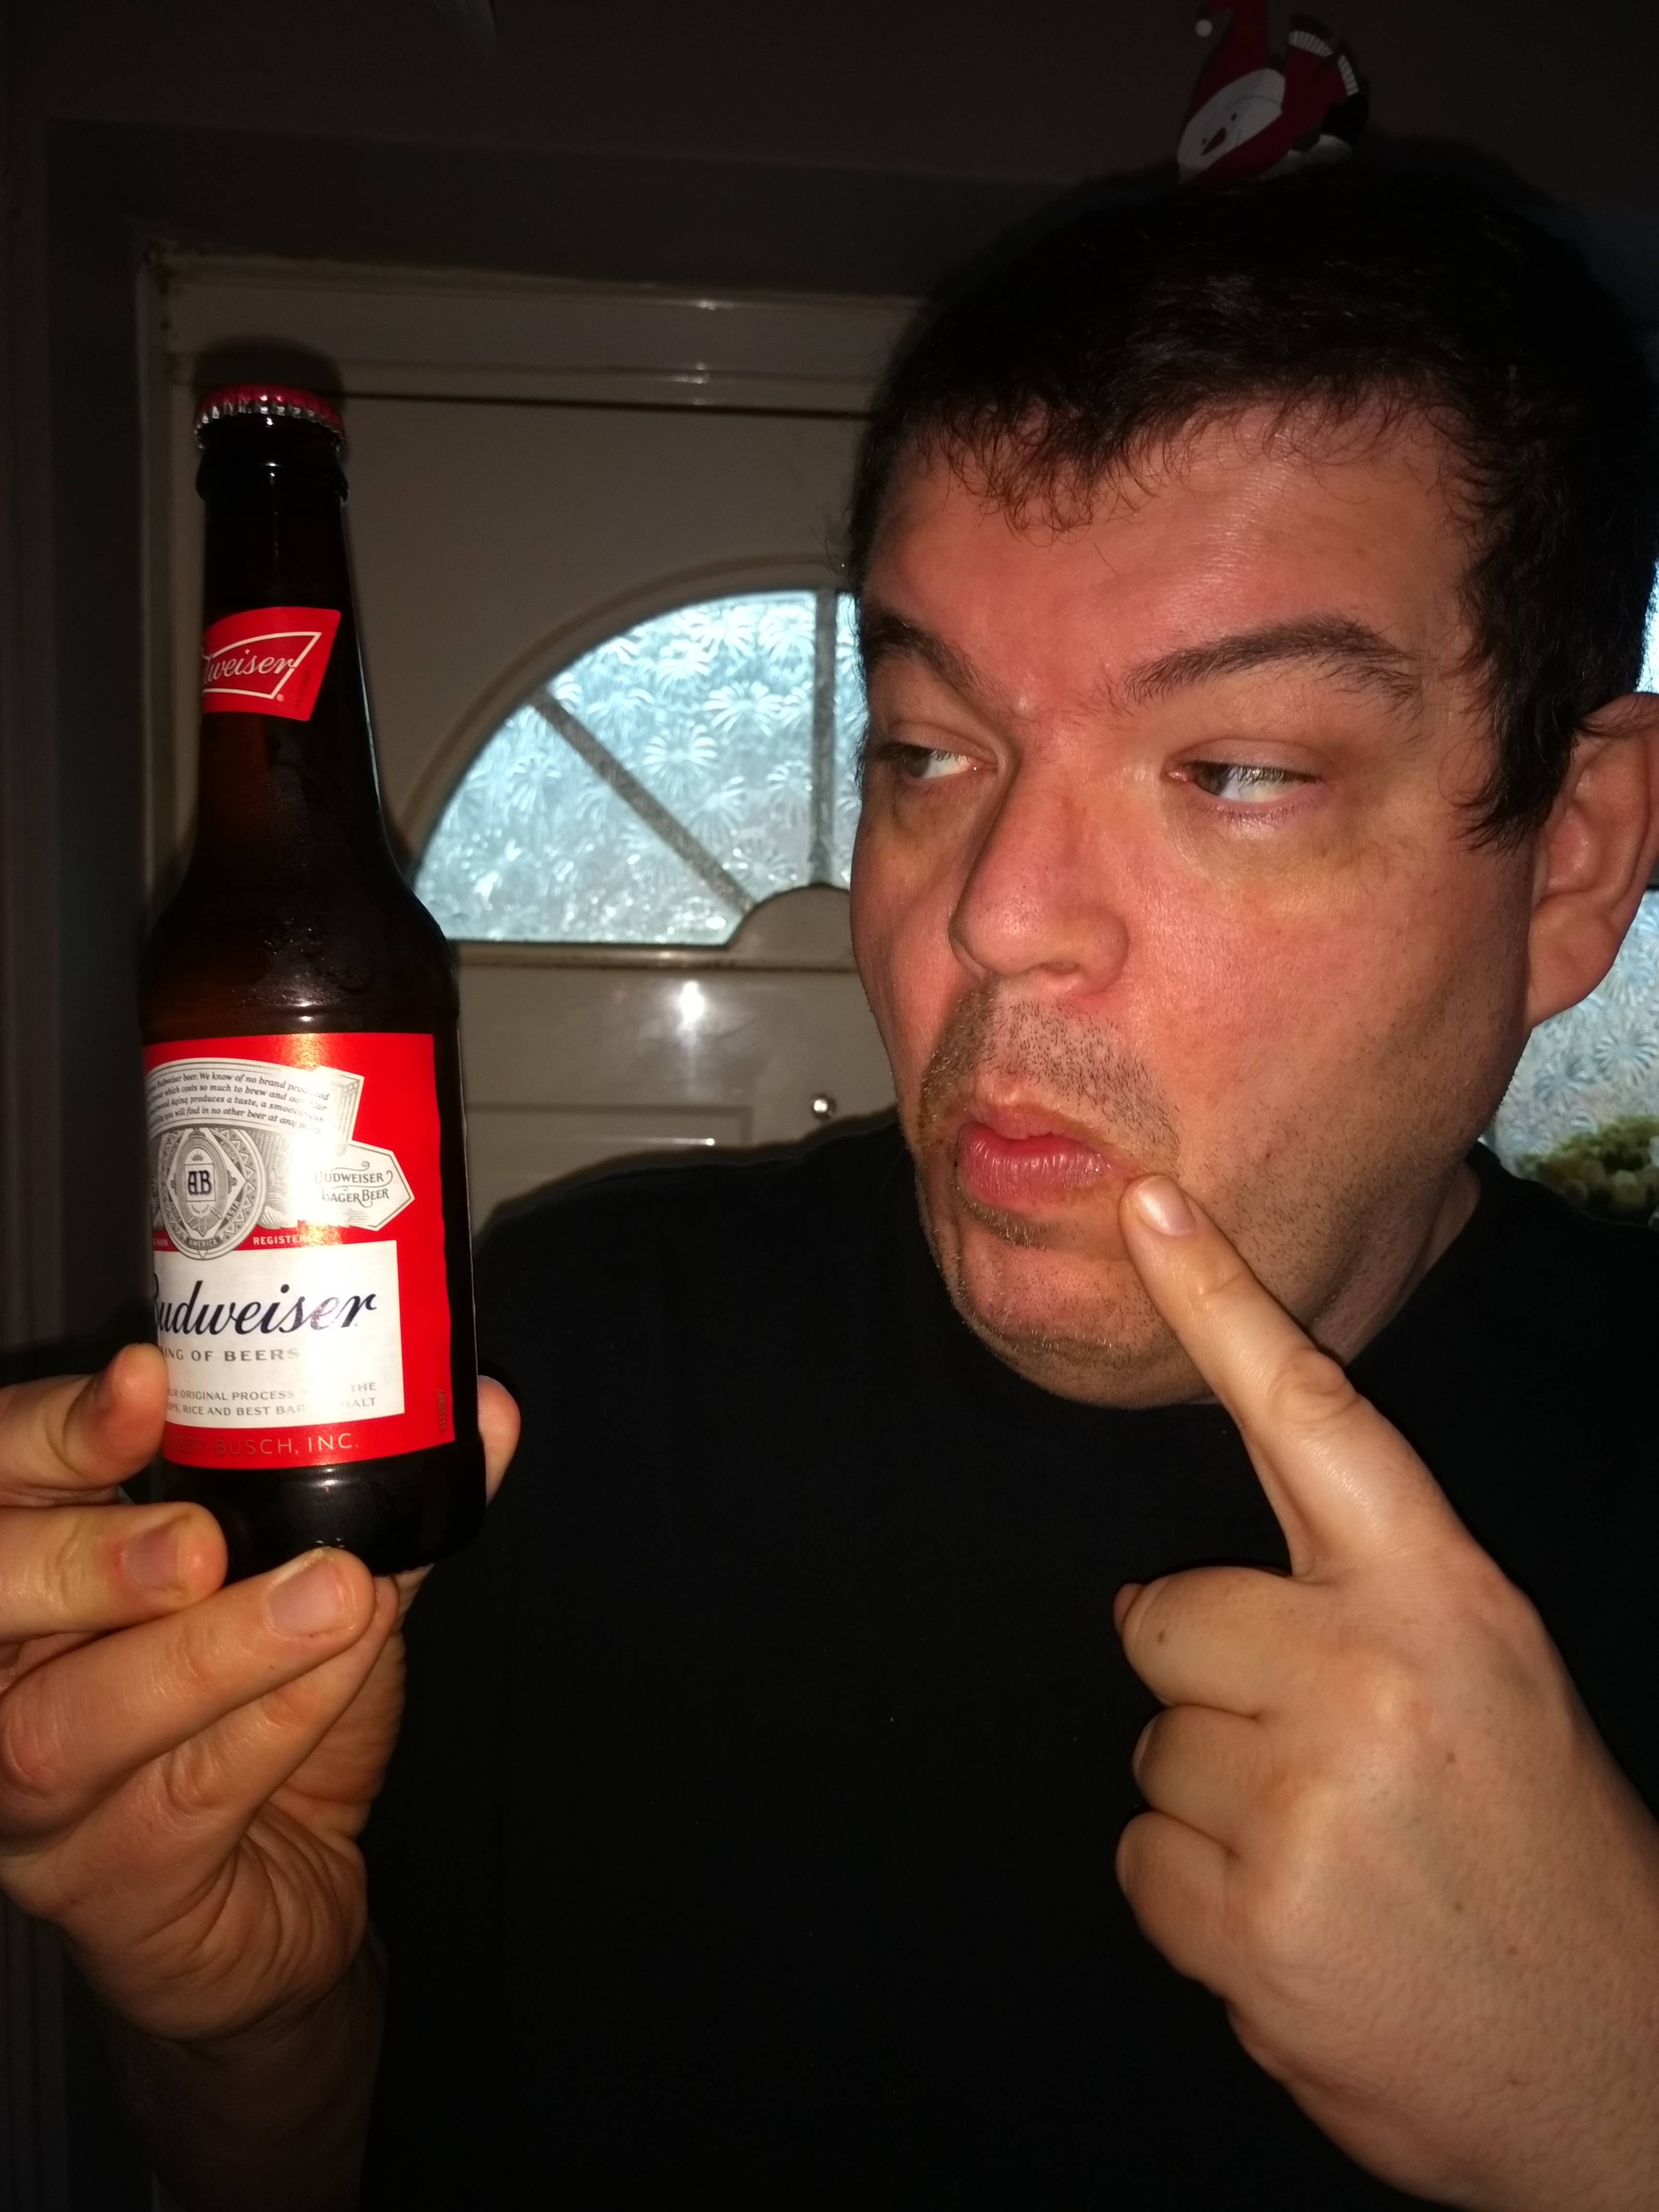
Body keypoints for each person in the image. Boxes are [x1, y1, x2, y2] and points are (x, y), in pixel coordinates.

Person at [3, 165, 1659, 2211]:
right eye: (928, 750)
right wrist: (240, 2017)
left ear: (1575, 855)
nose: (996, 920)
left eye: (1235, 768)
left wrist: (1624, 2100)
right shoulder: (569, 1371)